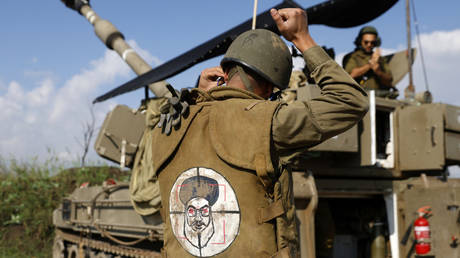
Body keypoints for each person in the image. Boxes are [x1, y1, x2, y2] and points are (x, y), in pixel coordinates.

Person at [151, 8, 368, 257]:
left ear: (226, 71)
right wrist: (301, 38)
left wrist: (200, 99)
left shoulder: (166, 126)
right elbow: (352, 102)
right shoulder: (270, 121)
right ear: (268, 86)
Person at [343, 26, 396, 97]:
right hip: (358, 96)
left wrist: (378, 71)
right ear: (360, 41)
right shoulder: (352, 57)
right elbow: (351, 75)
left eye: (372, 43)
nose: (369, 45)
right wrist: (370, 65)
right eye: (366, 42)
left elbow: (389, 81)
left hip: (378, 98)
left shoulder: (380, 59)